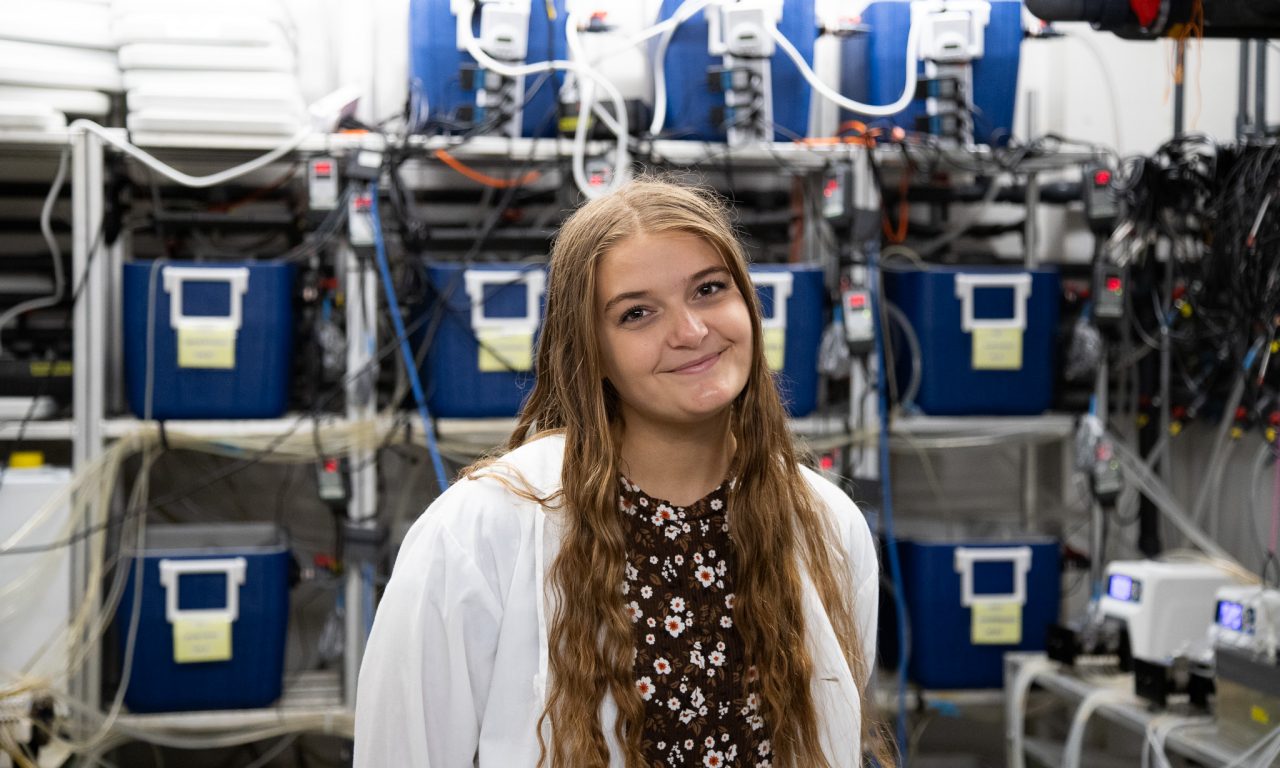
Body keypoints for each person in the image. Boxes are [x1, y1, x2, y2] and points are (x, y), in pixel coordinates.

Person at [354, 177, 887, 767]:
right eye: (637, 314)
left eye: (709, 289)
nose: (690, 332)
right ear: (591, 351)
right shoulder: (480, 530)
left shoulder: (826, 522)